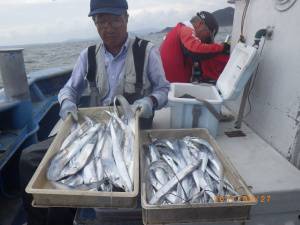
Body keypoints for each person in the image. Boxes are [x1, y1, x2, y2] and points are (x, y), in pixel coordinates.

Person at [19, 0, 169, 224]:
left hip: (133, 130)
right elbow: (69, 88)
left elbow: (164, 88)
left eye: (114, 20)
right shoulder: (88, 55)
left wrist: (150, 101)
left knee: (125, 179)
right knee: (29, 158)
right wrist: (67, 103)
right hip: (95, 129)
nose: (107, 28)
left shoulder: (147, 51)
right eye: (101, 21)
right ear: (95, 23)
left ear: (126, 18)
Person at [160, 11, 230, 83]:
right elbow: (194, 50)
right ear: (200, 24)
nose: (206, 41)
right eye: (209, 35)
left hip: (172, 85)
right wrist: (221, 48)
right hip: (172, 88)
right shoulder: (185, 29)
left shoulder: (178, 30)